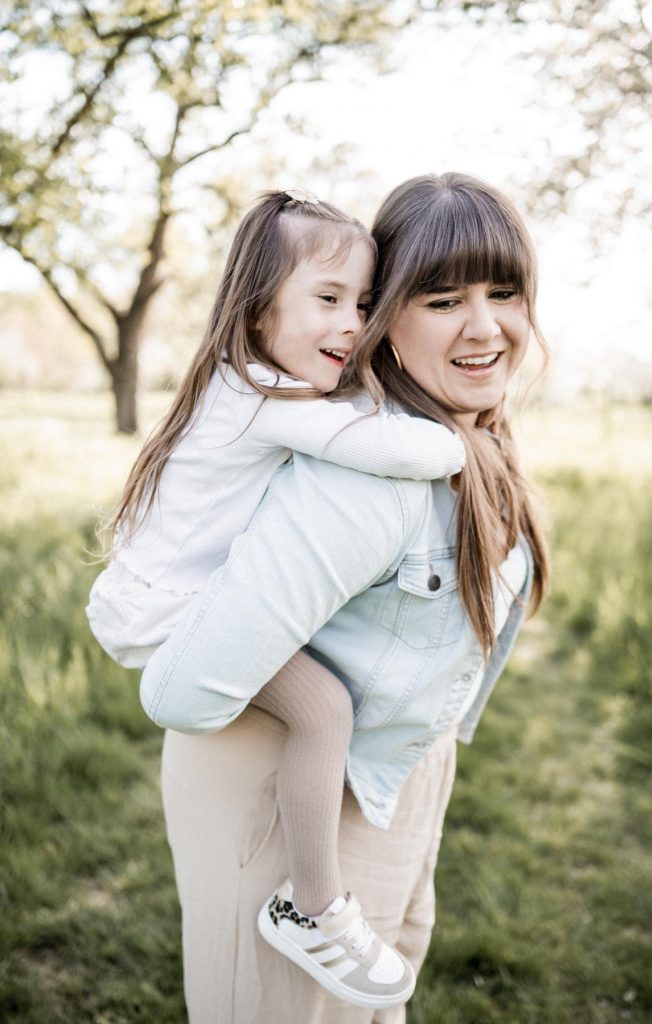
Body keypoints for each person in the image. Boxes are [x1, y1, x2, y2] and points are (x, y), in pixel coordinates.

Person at [137, 172, 550, 1024]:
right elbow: (185, 690)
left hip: (393, 770)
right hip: (284, 801)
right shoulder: (366, 481)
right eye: (442, 299)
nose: (484, 325)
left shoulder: (474, 443)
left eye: (503, 291)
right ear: (389, 315)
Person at [86, 189, 467, 1010]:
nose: (352, 325)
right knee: (324, 710)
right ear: (259, 314)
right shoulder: (266, 398)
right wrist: (459, 432)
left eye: (364, 303)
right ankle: (315, 905)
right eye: (327, 300)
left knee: (319, 706)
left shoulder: (245, 381)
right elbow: (411, 449)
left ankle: (315, 900)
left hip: (158, 594)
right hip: (168, 614)